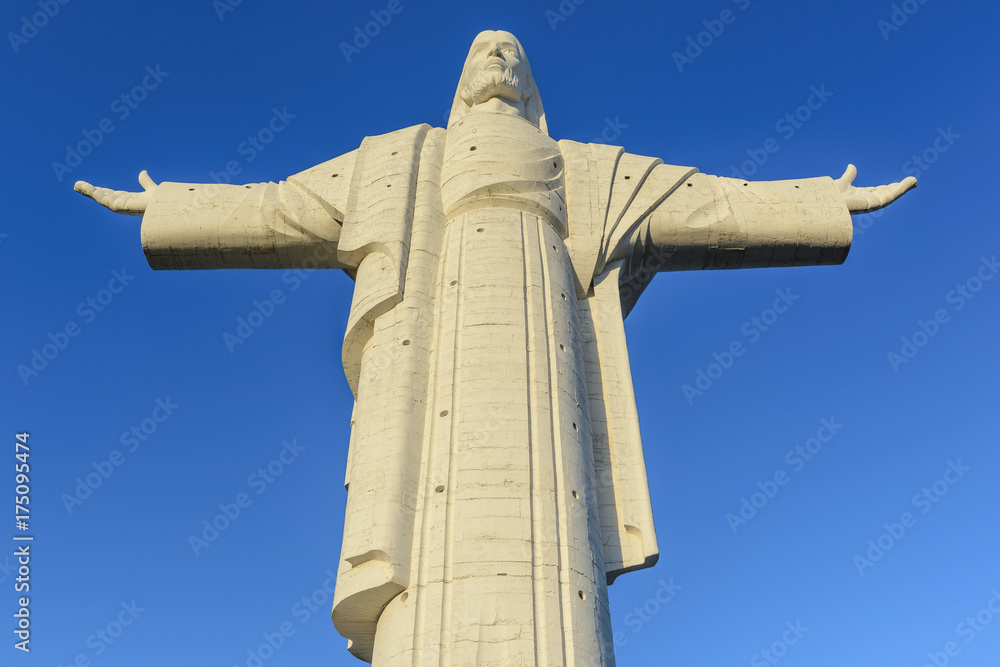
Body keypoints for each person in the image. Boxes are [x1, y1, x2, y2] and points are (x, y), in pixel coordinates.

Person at [75, 29, 915, 667]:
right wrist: (171, 206)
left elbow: (709, 205)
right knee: (425, 539)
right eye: (486, 51)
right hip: (442, 335)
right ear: (464, 77)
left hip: (546, 322)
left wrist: (819, 200)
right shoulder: (401, 160)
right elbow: (281, 207)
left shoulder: (583, 167)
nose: (501, 60)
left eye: (513, 52)